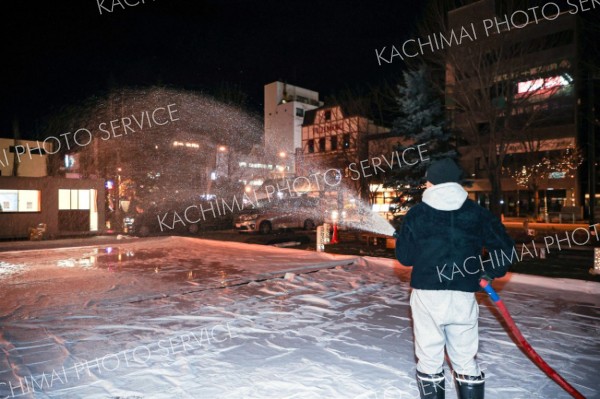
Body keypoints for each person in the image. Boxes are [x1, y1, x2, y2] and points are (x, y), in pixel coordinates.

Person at [394, 158, 515, 399]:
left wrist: (405, 239)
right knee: (465, 359)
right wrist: (488, 272)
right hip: (463, 295)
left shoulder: (417, 214)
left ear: (431, 182)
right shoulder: (477, 213)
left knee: (429, 358)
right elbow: (506, 251)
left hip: (427, 296)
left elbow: (405, 258)